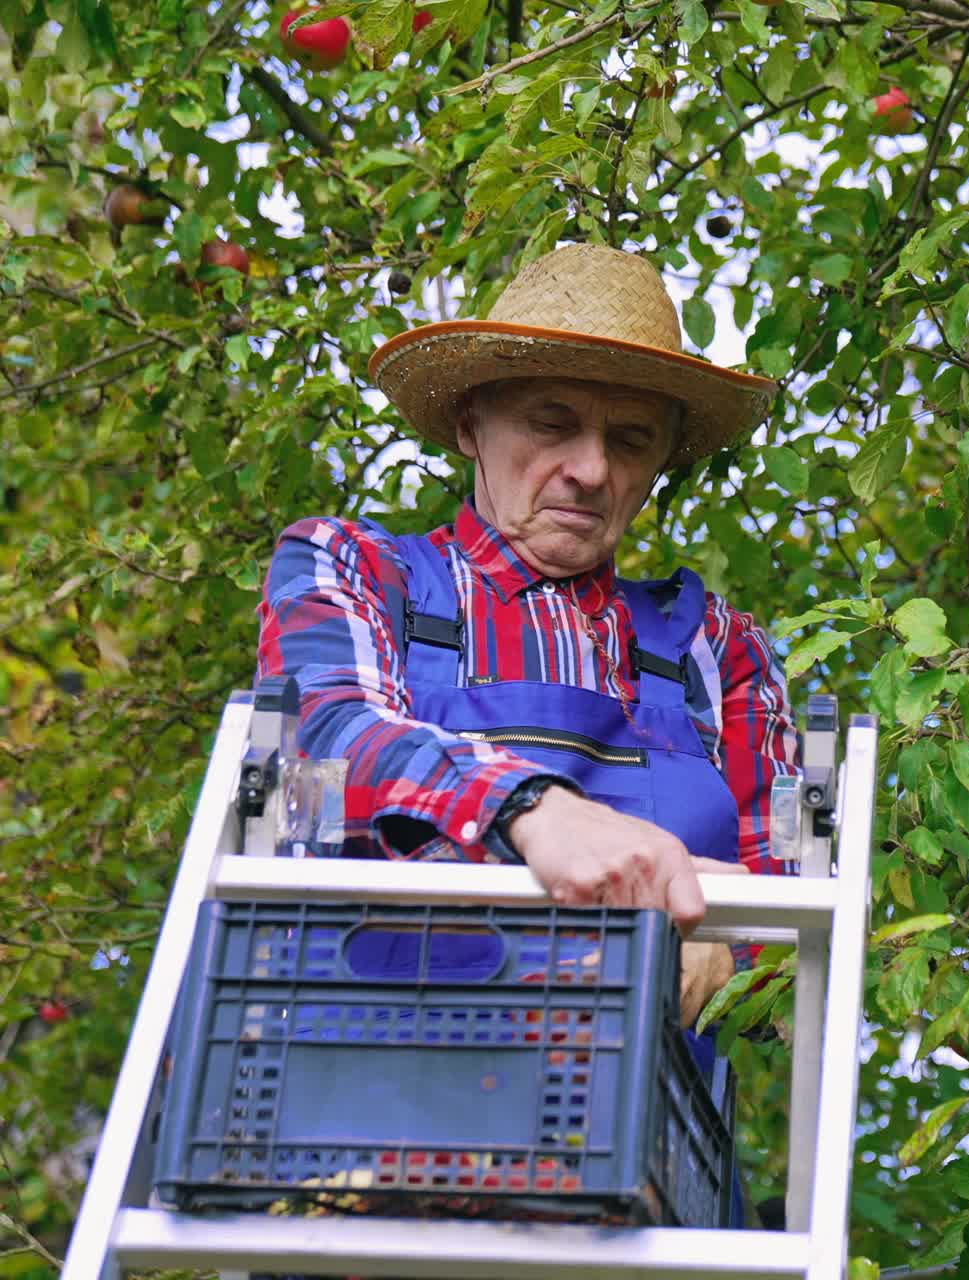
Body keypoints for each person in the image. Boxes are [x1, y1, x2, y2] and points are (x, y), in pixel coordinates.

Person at [256, 242, 798, 1032]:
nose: (591, 468)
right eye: (554, 422)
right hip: (355, 1111)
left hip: (631, 1134)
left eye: (632, 440)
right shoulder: (358, 570)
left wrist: (736, 952)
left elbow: (788, 914)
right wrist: (536, 812)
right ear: (473, 424)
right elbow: (330, 738)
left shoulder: (716, 650)